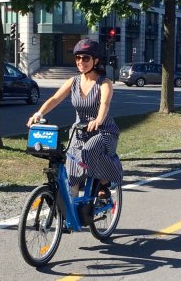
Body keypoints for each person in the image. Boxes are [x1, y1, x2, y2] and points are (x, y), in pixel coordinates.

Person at [27, 39, 123, 197]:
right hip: (79, 132)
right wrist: (39, 114)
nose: (81, 62)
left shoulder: (104, 83)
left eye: (86, 58)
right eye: (78, 58)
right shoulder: (73, 81)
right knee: (70, 169)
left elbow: (104, 104)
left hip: (103, 131)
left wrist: (98, 119)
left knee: (89, 150)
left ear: (95, 60)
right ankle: (71, 213)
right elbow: (54, 99)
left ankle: (104, 181)